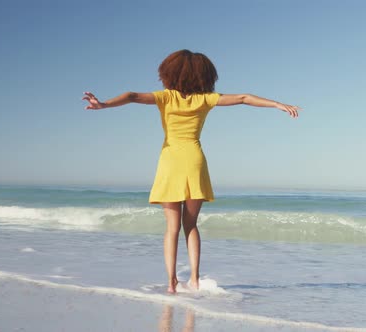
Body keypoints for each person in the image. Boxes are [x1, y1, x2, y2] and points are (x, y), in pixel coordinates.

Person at [82, 49, 301, 293]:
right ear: (204, 75)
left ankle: (172, 283)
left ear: (169, 73)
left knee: (171, 228)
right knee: (191, 225)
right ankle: (194, 280)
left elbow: (132, 95)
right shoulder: (205, 100)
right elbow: (243, 98)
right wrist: (277, 105)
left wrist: (103, 105)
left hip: (170, 161)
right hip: (195, 161)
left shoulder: (165, 98)